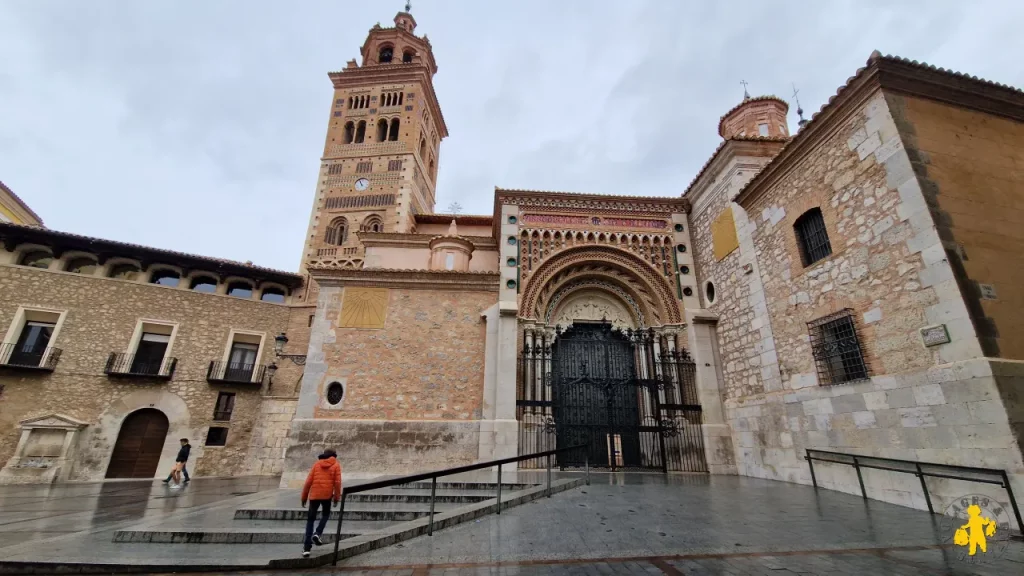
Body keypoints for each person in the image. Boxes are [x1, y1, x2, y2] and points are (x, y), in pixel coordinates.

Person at [300, 449, 342, 557]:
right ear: (334, 455)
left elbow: (308, 481)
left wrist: (304, 497)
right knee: (325, 514)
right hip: (326, 496)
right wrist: (337, 497)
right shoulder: (336, 465)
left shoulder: (316, 464)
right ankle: (317, 533)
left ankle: (306, 548)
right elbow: (337, 483)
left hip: (314, 495)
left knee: (310, 520)